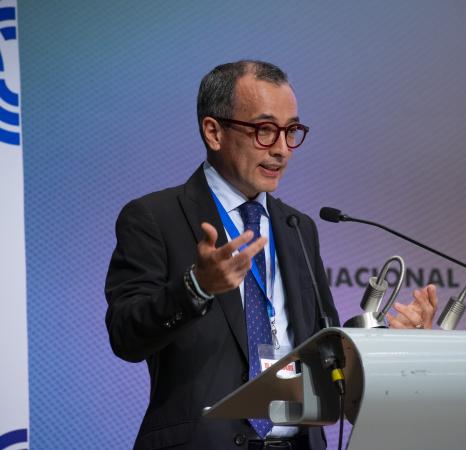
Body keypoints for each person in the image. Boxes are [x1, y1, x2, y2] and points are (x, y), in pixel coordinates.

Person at [105, 60, 437, 450]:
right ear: (214, 132)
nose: (282, 149)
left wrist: (387, 344)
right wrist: (196, 287)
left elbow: (324, 349)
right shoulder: (155, 218)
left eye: (291, 131)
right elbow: (126, 335)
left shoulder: (298, 227)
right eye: (265, 130)